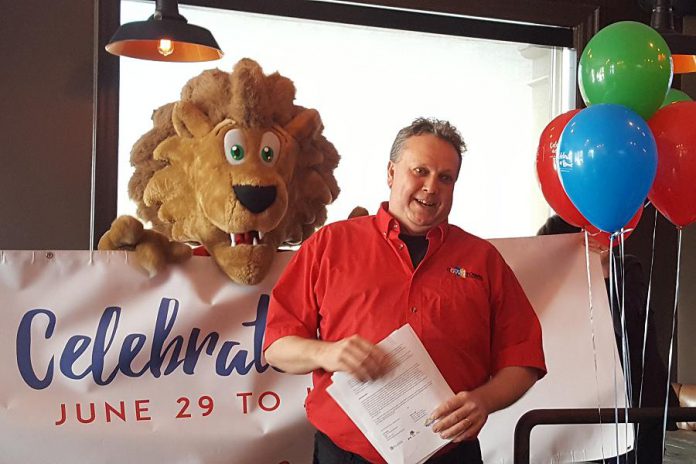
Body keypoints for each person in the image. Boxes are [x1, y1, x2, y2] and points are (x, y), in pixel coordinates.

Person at [263, 118, 547, 464]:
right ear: (391, 173)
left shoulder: (483, 259)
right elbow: (277, 347)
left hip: (450, 453)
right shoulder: (329, 245)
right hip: (347, 454)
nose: (431, 187)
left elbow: (523, 359)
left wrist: (484, 400)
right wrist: (328, 353)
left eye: (445, 178)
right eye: (420, 171)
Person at [538, 214, 680, 464]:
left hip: (637, 402)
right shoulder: (552, 286)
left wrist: (603, 271)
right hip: (584, 405)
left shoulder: (625, 268)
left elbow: (630, 329)